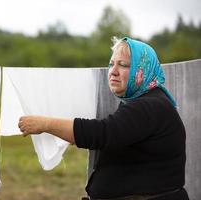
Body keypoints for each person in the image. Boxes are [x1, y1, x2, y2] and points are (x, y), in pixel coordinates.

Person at [18, 37, 189, 200]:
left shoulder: (149, 106)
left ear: (142, 70)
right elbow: (117, 137)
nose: (113, 72)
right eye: (111, 64)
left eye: (123, 65)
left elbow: (102, 133)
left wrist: (44, 124)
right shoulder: (144, 102)